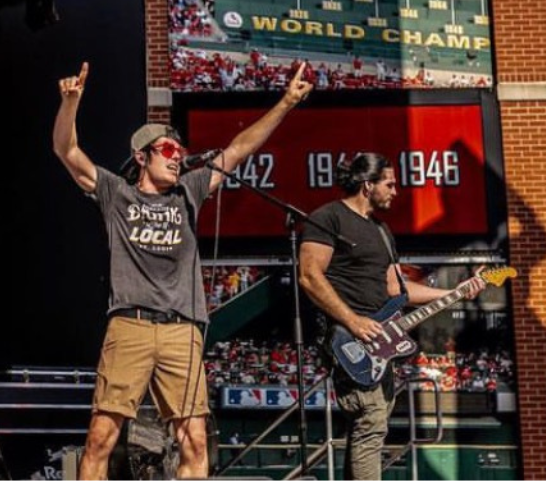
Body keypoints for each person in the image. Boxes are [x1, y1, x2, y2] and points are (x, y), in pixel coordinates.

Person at [52, 61, 312, 479]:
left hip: (182, 330)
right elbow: (68, 152)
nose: (178, 159)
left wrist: (285, 102)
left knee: (194, 438)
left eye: (182, 153)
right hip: (130, 325)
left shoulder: (188, 193)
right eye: (169, 152)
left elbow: (240, 148)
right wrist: (70, 105)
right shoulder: (117, 194)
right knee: (101, 437)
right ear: (142, 157)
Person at [297, 152, 483, 480]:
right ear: (367, 185)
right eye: (389, 184)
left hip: (380, 339)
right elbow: (310, 276)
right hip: (347, 336)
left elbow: (400, 292)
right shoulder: (328, 218)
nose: (396, 191)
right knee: (370, 419)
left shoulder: (382, 231)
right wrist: (353, 321)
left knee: (372, 423)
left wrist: (455, 292)